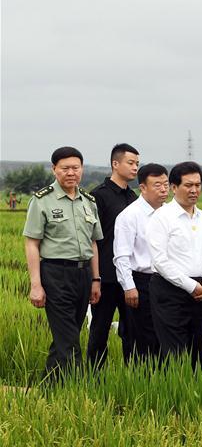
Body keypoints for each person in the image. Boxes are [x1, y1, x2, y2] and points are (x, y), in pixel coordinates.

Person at [22, 146, 103, 379]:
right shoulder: (42, 201)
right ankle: (77, 388)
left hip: (83, 274)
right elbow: (32, 244)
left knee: (67, 338)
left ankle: (49, 390)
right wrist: (35, 285)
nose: (71, 173)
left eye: (75, 168)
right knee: (68, 340)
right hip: (55, 274)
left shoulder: (88, 200)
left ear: (82, 170)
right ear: (54, 170)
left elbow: (93, 243)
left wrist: (96, 279)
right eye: (65, 168)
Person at [146, 161, 202, 367]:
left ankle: (195, 394)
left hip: (201, 292)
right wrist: (190, 285)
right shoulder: (161, 217)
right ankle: (173, 394)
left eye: (198, 185)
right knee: (174, 352)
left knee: (197, 350)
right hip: (170, 291)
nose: (194, 190)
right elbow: (160, 261)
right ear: (174, 187)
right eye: (188, 185)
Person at [87, 143, 139, 368]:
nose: (135, 167)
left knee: (132, 331)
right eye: (131, 163)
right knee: (99, 329)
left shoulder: (134, 197)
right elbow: (92, 239)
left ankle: (134, 375)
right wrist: (94, 278)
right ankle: (95, 377)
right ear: (115, 164)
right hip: (106, 276)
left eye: (138, 163)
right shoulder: (98, 196)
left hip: (129, 277)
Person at [113, 163, 169, 361]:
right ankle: (139, 380)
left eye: (166, 184)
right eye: (157, 185)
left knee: (165, 335)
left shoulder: (171, 213)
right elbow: (122, 256)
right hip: (141, 283)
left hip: (168, 282)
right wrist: (129, 287)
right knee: (140, 336)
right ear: (142, 188)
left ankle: (164, 380)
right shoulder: (129, 216)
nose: (163, 189)